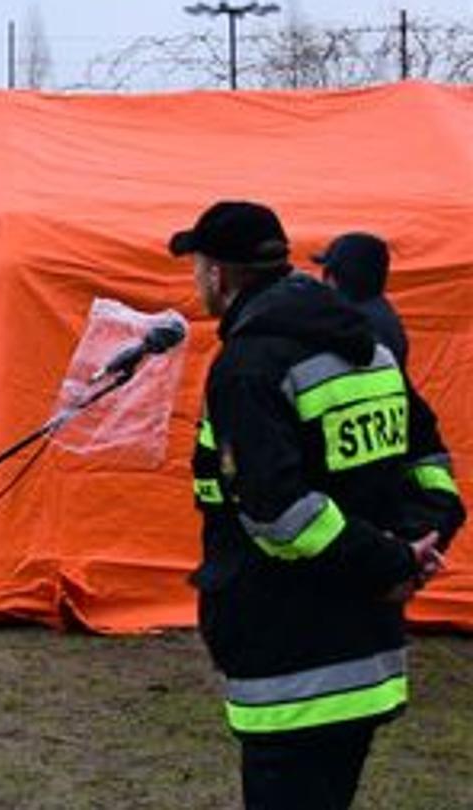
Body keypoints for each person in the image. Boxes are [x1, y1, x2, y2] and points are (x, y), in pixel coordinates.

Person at [173, 201, 463, 810]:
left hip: (290, 659)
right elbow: (430, 465)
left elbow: (279, 514)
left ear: (219, 274)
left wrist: (393, 561)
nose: (196, 279)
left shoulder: (247, 367)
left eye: (197, 266)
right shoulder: (370, 348)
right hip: (365, 653)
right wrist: (414, 549)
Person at [314, 233, 407, 366]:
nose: (324, 280)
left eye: (328, 272)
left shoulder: (354, 325)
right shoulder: (378, 313)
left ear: (340, 276)